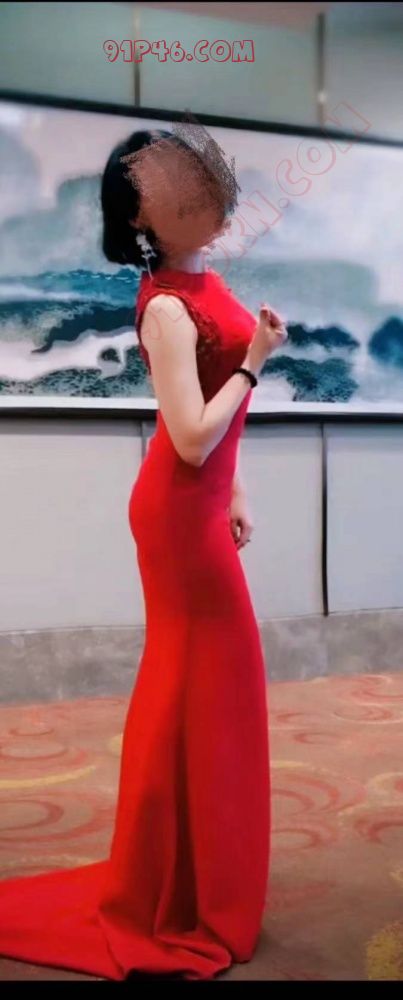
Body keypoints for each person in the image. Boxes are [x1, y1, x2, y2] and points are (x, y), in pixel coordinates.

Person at [0, 126, 287, 981]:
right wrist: (256, 363)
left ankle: (193, 876)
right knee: (190, 682)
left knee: (213, 688)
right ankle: (165, 884)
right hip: (173, 514)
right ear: (143, 219)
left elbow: (214, 433)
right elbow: (190, 436)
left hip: (201, 505)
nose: (205, 207)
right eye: (180, 196)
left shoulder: (207, 284)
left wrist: (235, 491)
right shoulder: (164, 305)